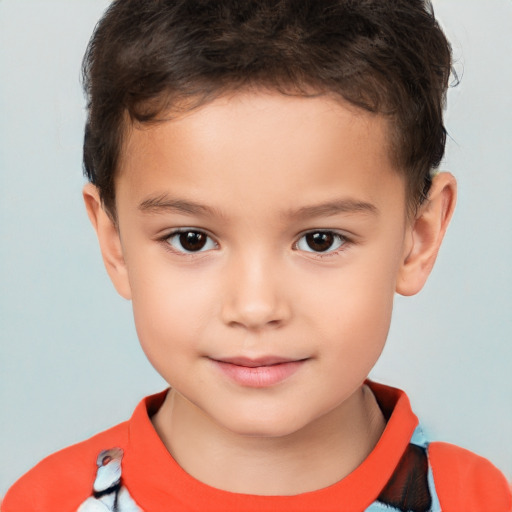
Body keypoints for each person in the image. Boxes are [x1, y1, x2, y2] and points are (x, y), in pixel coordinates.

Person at [2, 1, 511, 511]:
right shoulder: (47, 503)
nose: (255, 306)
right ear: (115, 242)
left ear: (418, 237)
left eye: (320, 240)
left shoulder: (478, 500)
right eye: (191, 239)